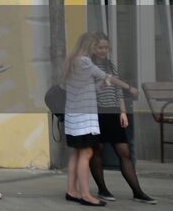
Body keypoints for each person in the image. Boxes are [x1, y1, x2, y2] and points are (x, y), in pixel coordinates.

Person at [62, 31, 132, 207]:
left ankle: (72, 191)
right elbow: (108, 77)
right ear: (89, 46)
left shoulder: (72, 61)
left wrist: (99, 86)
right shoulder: (85, 61)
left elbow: (83, 87)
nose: (97, 50)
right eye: (95, 46)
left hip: (73, 115)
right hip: (84, 117)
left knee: (77, 153)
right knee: (86, 153)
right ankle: (86, 195)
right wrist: (129, 87)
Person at [87, 35, 155, 204]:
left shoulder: (111, 65)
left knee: (124, 152)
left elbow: (118, 90)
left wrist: (122, 112)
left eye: (105, 48)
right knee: (97, 151)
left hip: (113, 112)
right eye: (99, 47)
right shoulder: (88, 65)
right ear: (93, 48)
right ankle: (102, 189)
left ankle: (138, 192)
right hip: (96, 113)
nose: (103, 51)